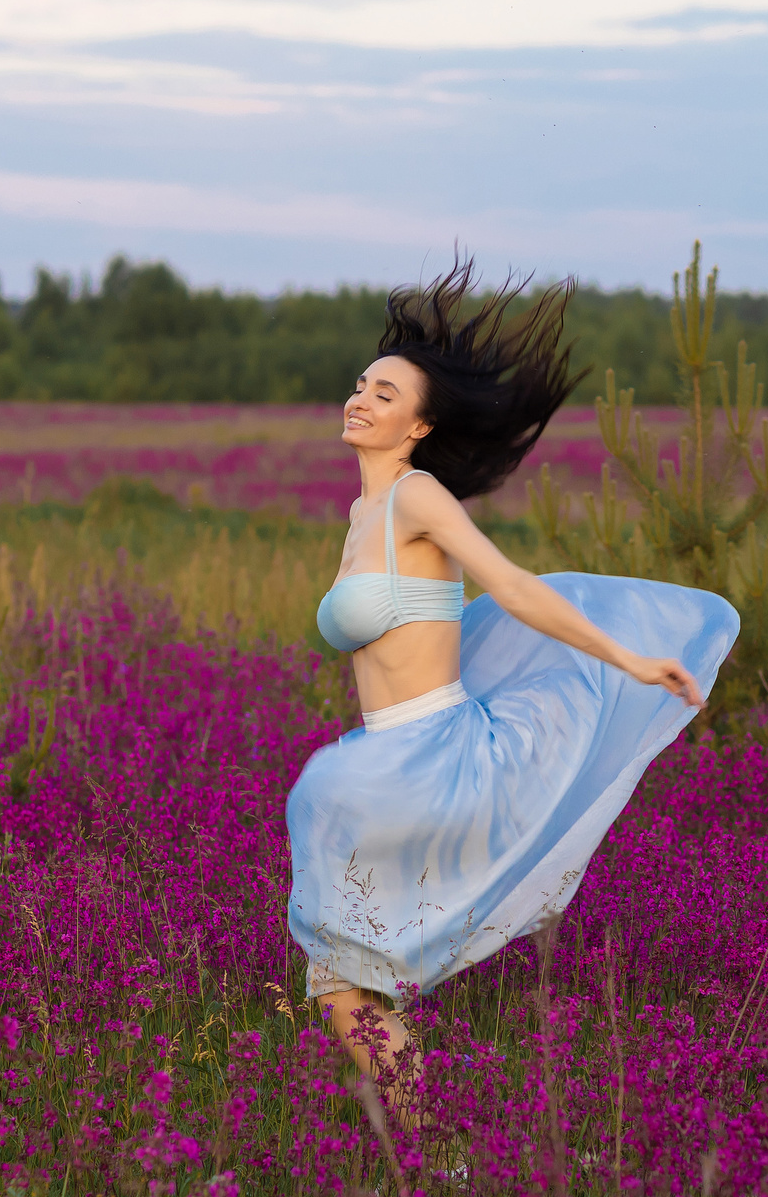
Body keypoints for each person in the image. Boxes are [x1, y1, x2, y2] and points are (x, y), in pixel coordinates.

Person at [286, 258, 740, 1127]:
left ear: (418, 425)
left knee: (345, 962)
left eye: (384, 393)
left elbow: (517, 586)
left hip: (437, 755)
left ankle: (426, 1150)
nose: (361, 399)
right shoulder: (362, 516)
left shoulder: (418, 496)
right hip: (390, 755)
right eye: (359, 384)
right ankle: (429, 1150)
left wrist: (629, 660)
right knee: (348, 985)